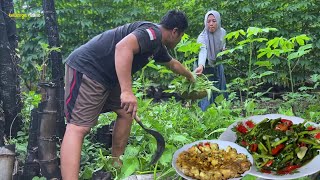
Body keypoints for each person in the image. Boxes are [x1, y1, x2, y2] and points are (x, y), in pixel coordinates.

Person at [61, 10, 195, 179]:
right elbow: (123, 47)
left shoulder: (157, 45)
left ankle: (115, 165)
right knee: (78, 128)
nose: (180, 39)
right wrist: (126, 91)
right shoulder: (151, 33)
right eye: (181, 35)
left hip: (108, 77)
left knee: (126, 112)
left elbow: (173, 65)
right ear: (175, 31)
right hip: (88, 69)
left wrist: (191, 77)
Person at [194, 10, 228, 111]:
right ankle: (205, 117)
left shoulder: (223, 32)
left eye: (214, 21)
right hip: (204, 67)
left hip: (217, 64)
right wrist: (201, 65)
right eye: (208, 21)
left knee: (220, 90)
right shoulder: (202, 37)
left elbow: (222, 44)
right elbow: (203, 51)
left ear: (218, 21)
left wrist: (223, 50)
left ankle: (222, 114)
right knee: (206, 93)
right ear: (205, 22)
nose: (211, 24)